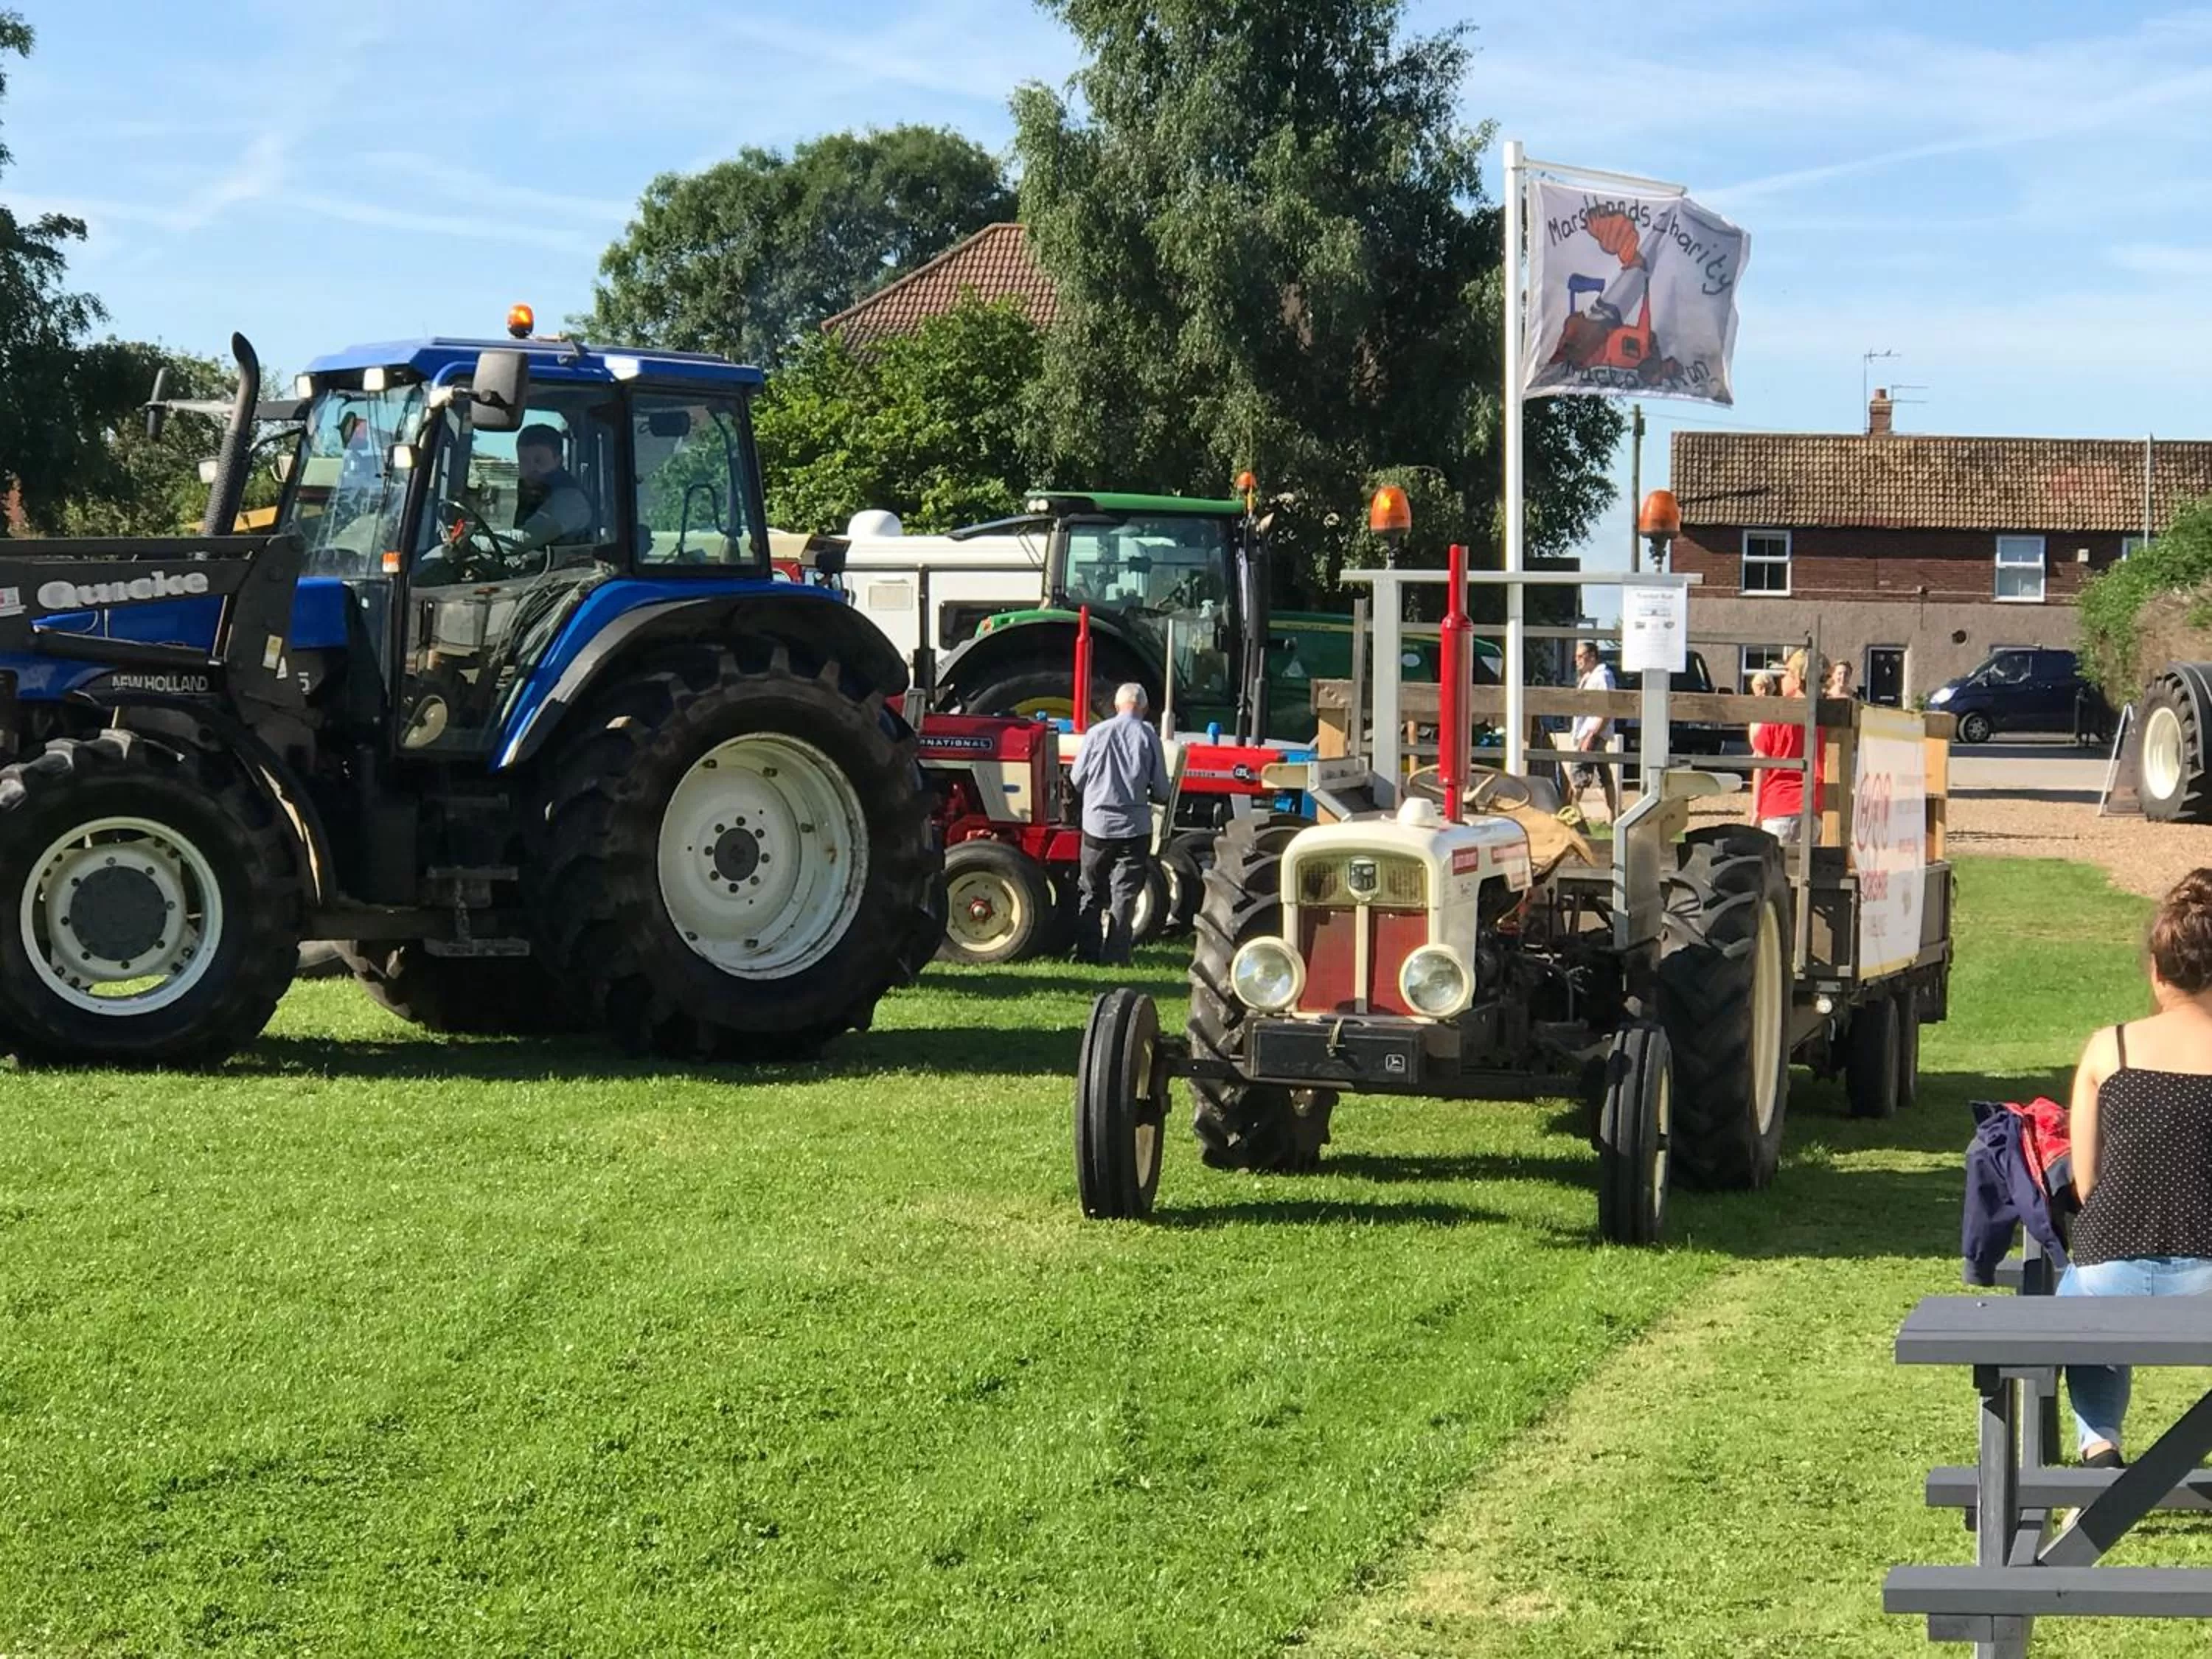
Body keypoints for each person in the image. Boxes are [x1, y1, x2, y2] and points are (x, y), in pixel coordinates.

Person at [2059, 869, 2212, 1467]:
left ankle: (2099, 1440)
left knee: (2081, 1304)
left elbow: (2085, 1182)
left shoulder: (2108, 1047)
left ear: (2156, 968)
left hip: (2108, 1268)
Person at [1069, 683, 1171, 966]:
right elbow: (1162, 790)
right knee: (1125, 893)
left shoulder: (1096, 733)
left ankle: (1086, 953)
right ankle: (1116, 955)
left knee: (1090, 888)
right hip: (1135, 827)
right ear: (1145, 708)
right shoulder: (1149, 737)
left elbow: (1077, 780)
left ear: (1116, 706)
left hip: (1097, 825)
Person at [1749, 647, 1824, 839]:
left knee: (1775, 866)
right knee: (1809, 865)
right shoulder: (1825, 718)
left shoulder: (1775, 717)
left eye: (1786, 674)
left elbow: (1761, 766)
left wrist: (1756, 810)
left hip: (1778, 804)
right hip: (1813, 805)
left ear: (1798, 679)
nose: (1782, 679)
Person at [511, 424, 594, 552]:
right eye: (523, 461)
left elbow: (526, 538)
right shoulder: (534, 493)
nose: (531, 469)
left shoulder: (570, 499)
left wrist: (475, 542)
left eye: (539, 461)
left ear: (558, 460)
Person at [1568, 641, 1620, 824]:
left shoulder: (1603, 676)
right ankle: (1611, 816)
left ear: (1592, 656)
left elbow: (1608, 707)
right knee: (1603, 773)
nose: (1577, 661)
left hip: (1594, 732)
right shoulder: (1588, 677)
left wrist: (1592, 734)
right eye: (1576, 657)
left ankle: (1569, 816)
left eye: (1580, 657)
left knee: (1577, 773)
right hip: (1587, 731)